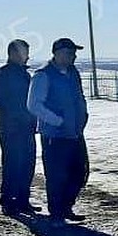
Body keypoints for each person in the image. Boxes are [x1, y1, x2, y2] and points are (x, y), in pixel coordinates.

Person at [28, 38, 89, 223]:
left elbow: (79, 97)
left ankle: (66, 206)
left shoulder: (72, 73)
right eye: (70, 53)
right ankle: (56, 212)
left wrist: (83, 115)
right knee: (57, 175)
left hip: (75, 132)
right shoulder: (43, 75)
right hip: (54, 135)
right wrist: (57, 121)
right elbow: (33, 105)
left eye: (74, 53)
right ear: (58, 53)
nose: (74, 56)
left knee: (79, 172)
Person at [0, 39, 39, 216]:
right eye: (24, 52)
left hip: (27, 126)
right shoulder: (0, 75)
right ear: (13, 54)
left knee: (28, 163)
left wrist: (32, 118)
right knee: (12, 163)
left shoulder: (26, 75)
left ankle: (23, 199)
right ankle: (8, 199)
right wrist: (18, 114)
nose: (27, 56)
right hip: (10, 127)